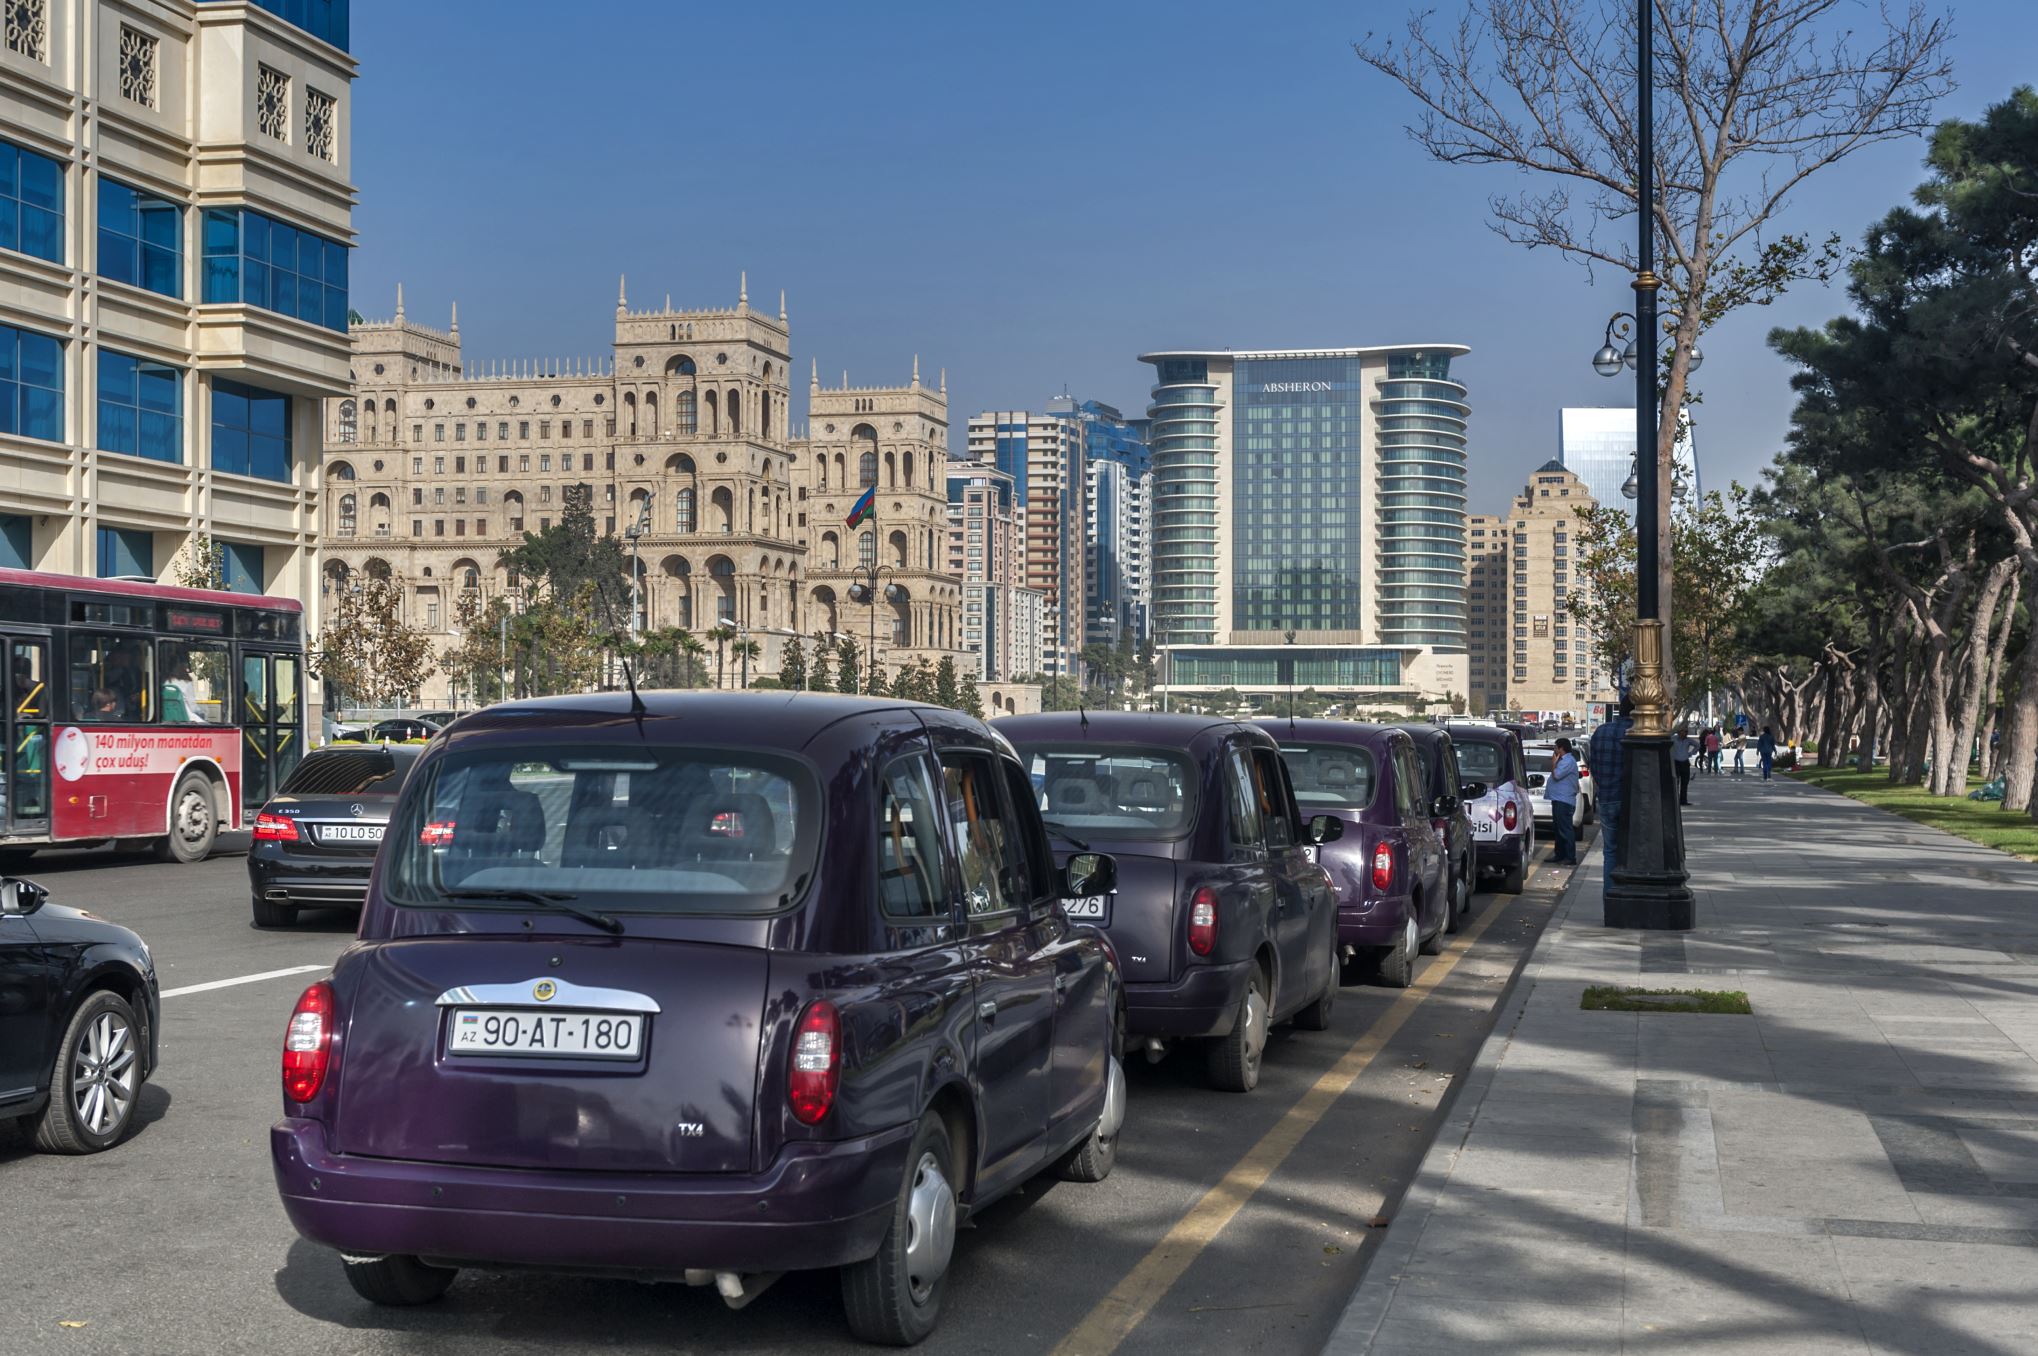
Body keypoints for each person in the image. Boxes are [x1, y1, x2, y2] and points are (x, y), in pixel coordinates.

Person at [1588, 696, 1632, 892]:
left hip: (1606, 799)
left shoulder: (1600, 732)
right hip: (1631, 801)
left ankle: (1610, 896)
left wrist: (1603, 785)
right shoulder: (1637, 732)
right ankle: (1627, 893)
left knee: (1610, 851)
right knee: (1632, 851)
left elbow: (1594, 766)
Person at [1547, 737, 1580, 866]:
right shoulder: (1563, 760)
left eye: (1555, 747)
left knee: (1565, 829)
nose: (1554, 750)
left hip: (1564, 800)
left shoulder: (1568, 761)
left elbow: (1556, 775)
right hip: (1558, 798)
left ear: (1561, 748)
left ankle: (1570, 857)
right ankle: (1559, 854)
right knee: (1558, 828)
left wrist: (1553, 763)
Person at [1673, 725, 1697, 806]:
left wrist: (1691, 753)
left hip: (1685, 762)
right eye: (1684, 731)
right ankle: (1675, 800)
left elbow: (1697, 745)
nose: (1685, 733)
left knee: (1685, 783)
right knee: (1676, 782)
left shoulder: (1688, 740)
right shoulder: (1673, 739)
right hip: (1676, 762)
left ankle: (1683, 800)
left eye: (1686, 732)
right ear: (1679, 732)